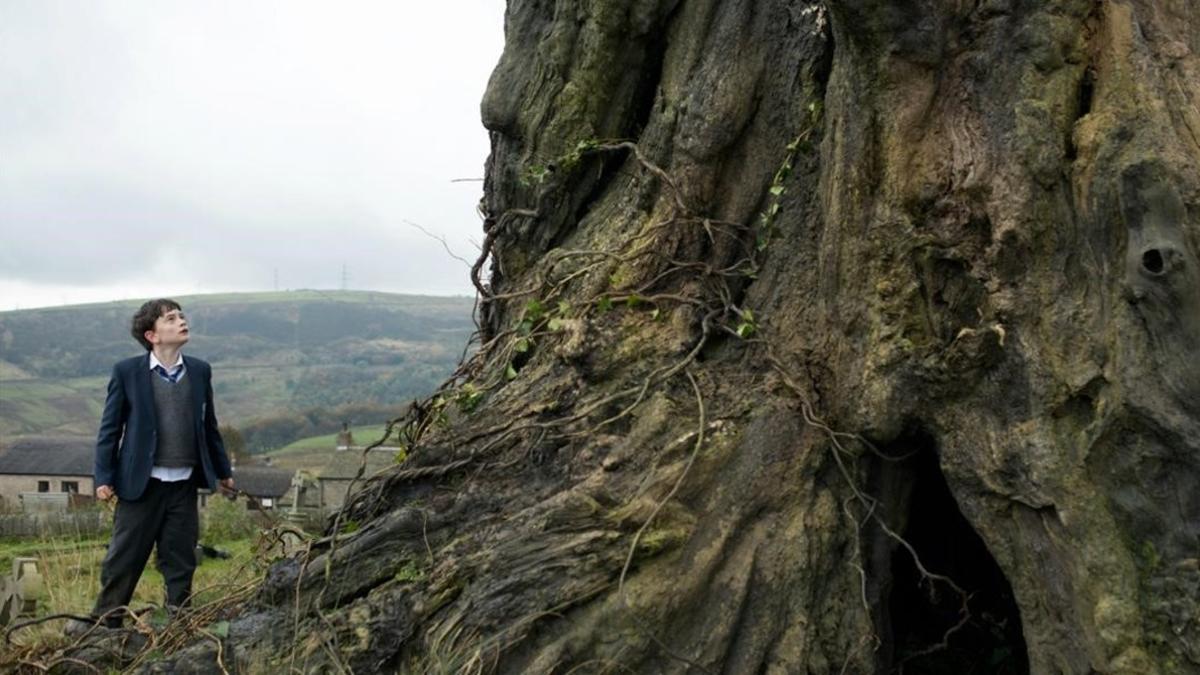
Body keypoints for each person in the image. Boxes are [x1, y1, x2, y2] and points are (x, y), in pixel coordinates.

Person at [83, 298, 234, 628]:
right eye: (171, 318)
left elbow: (209, 426)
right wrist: (103, 478)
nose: (181, 321)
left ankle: (178, 626)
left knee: (180, 559)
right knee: (124, 558)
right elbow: (110, 429)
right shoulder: (127, 372)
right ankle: (105, 625)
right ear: (152, 335)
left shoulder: (199, 370)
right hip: (141, 484)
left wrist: (224, 471)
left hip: (183, 483)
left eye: (181, 315)